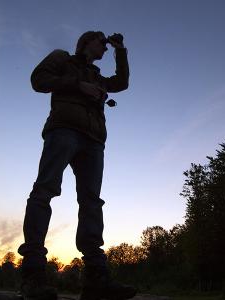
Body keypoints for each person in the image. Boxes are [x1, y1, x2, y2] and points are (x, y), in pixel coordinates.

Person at [17, 31, 136, 300]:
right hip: (63, 130)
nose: (104, 48)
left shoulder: (98, 76)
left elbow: (121, 83)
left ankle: (96, 277)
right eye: (101, 43)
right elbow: (39, 80)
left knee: (91, 202)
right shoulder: (62, 59)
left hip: (94, 140)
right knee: (45, 191)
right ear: (86, 42)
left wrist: (120, 50)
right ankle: (33, 274)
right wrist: (77, 85)